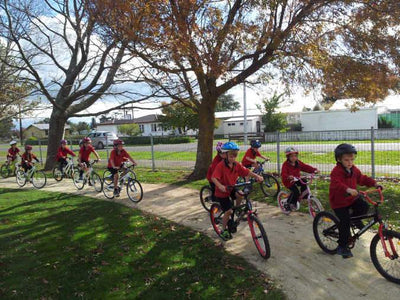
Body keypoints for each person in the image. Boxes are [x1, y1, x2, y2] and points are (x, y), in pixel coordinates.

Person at [330, 143, 382, 259]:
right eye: (346, 160)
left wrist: (374, 183)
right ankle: (342, 246)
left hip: (351, 198)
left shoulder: (353, 169)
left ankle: (356, 221)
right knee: (345, 222)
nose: (350, 162)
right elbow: (336, 184)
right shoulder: (336, 171)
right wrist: (347, 189)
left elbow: (362, 178)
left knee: (363, 206)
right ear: (339, 160)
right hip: (339, 202)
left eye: (352, 159)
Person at [211, 141, 263, 240]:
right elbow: (214, 178)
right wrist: (220, 186)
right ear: (225, 155)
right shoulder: (220, 165)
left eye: (235, 155)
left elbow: (246, 171)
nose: (233, 158)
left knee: (241, 195)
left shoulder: (236, 164)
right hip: (222, 192)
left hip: (231, 187)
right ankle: (223, 229)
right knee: (229, 211)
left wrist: (257, 176)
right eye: (231, 156)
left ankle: (238, 209)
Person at [281, 146, 318, 211]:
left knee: (304, 182)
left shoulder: (298, 163)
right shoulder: (285, 164)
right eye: (291, 156)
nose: (294, 158)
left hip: (297, 179)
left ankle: (304, 196)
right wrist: (288, 177)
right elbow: (284, 174)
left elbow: (305, 167)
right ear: (288, 157)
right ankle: (290, 204)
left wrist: (314, 170)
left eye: (295, 156)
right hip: (288, 181)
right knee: (295, 192)